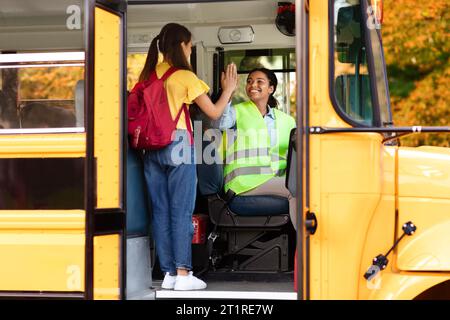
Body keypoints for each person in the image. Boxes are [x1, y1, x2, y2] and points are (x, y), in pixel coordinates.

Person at [138, 23, 237, 291]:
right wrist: (228, 89)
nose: (191, 49)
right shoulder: (184, 77)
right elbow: (214, 113)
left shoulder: (148, 75)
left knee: (160, 211)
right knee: (181, 211)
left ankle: (169, 272)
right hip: (178, 145)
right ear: (182, 46)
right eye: (191, 45)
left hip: (150, 149)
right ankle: (183, 273)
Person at [214, 67, 297, 226]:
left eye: (260, 82)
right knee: (297, 190)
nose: (253, 85)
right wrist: (228, 92)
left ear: (271, 89)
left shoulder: (287, 121)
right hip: (242, 184)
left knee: (307, 188)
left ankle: (301, 245)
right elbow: (220, 123)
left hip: (271, 181)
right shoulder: (236, 112)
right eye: (249, 81)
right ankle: (304, 247)